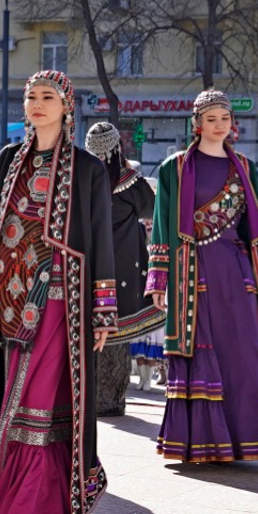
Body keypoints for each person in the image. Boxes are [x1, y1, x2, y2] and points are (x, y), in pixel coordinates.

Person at [0, 72, 116, 514]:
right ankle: (24, 503)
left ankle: (21, 510)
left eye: (49, 97)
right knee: (15, 400)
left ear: (67, 107)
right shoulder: (7, 161)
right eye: (31, 97)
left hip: (62, 309)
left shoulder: (88, 169)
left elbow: (101, 241)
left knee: (36, 402)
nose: (38, 104)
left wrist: (103, 309)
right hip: (10, 303)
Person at [147, 89, 258, 464]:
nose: (218, 125)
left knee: (244, 352)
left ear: (232, 123)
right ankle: (202, 445)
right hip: (192, 272)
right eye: (211, 119)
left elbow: (252, 229)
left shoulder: (245, 166)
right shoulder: (174, 168)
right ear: (197, 125)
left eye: (224, 119)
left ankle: (255, 439)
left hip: (235, 271)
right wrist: (158, 280)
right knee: (200, 351)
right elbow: (162, 227)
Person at [85, 120, 163, 418]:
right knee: (116, 335)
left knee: (90, 334)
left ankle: (90, 399)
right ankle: (111, 401)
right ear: (118, 147)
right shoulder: (129, 180)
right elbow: (151, 209)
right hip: (123, 270)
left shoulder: (82, 178)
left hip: (89, 266)